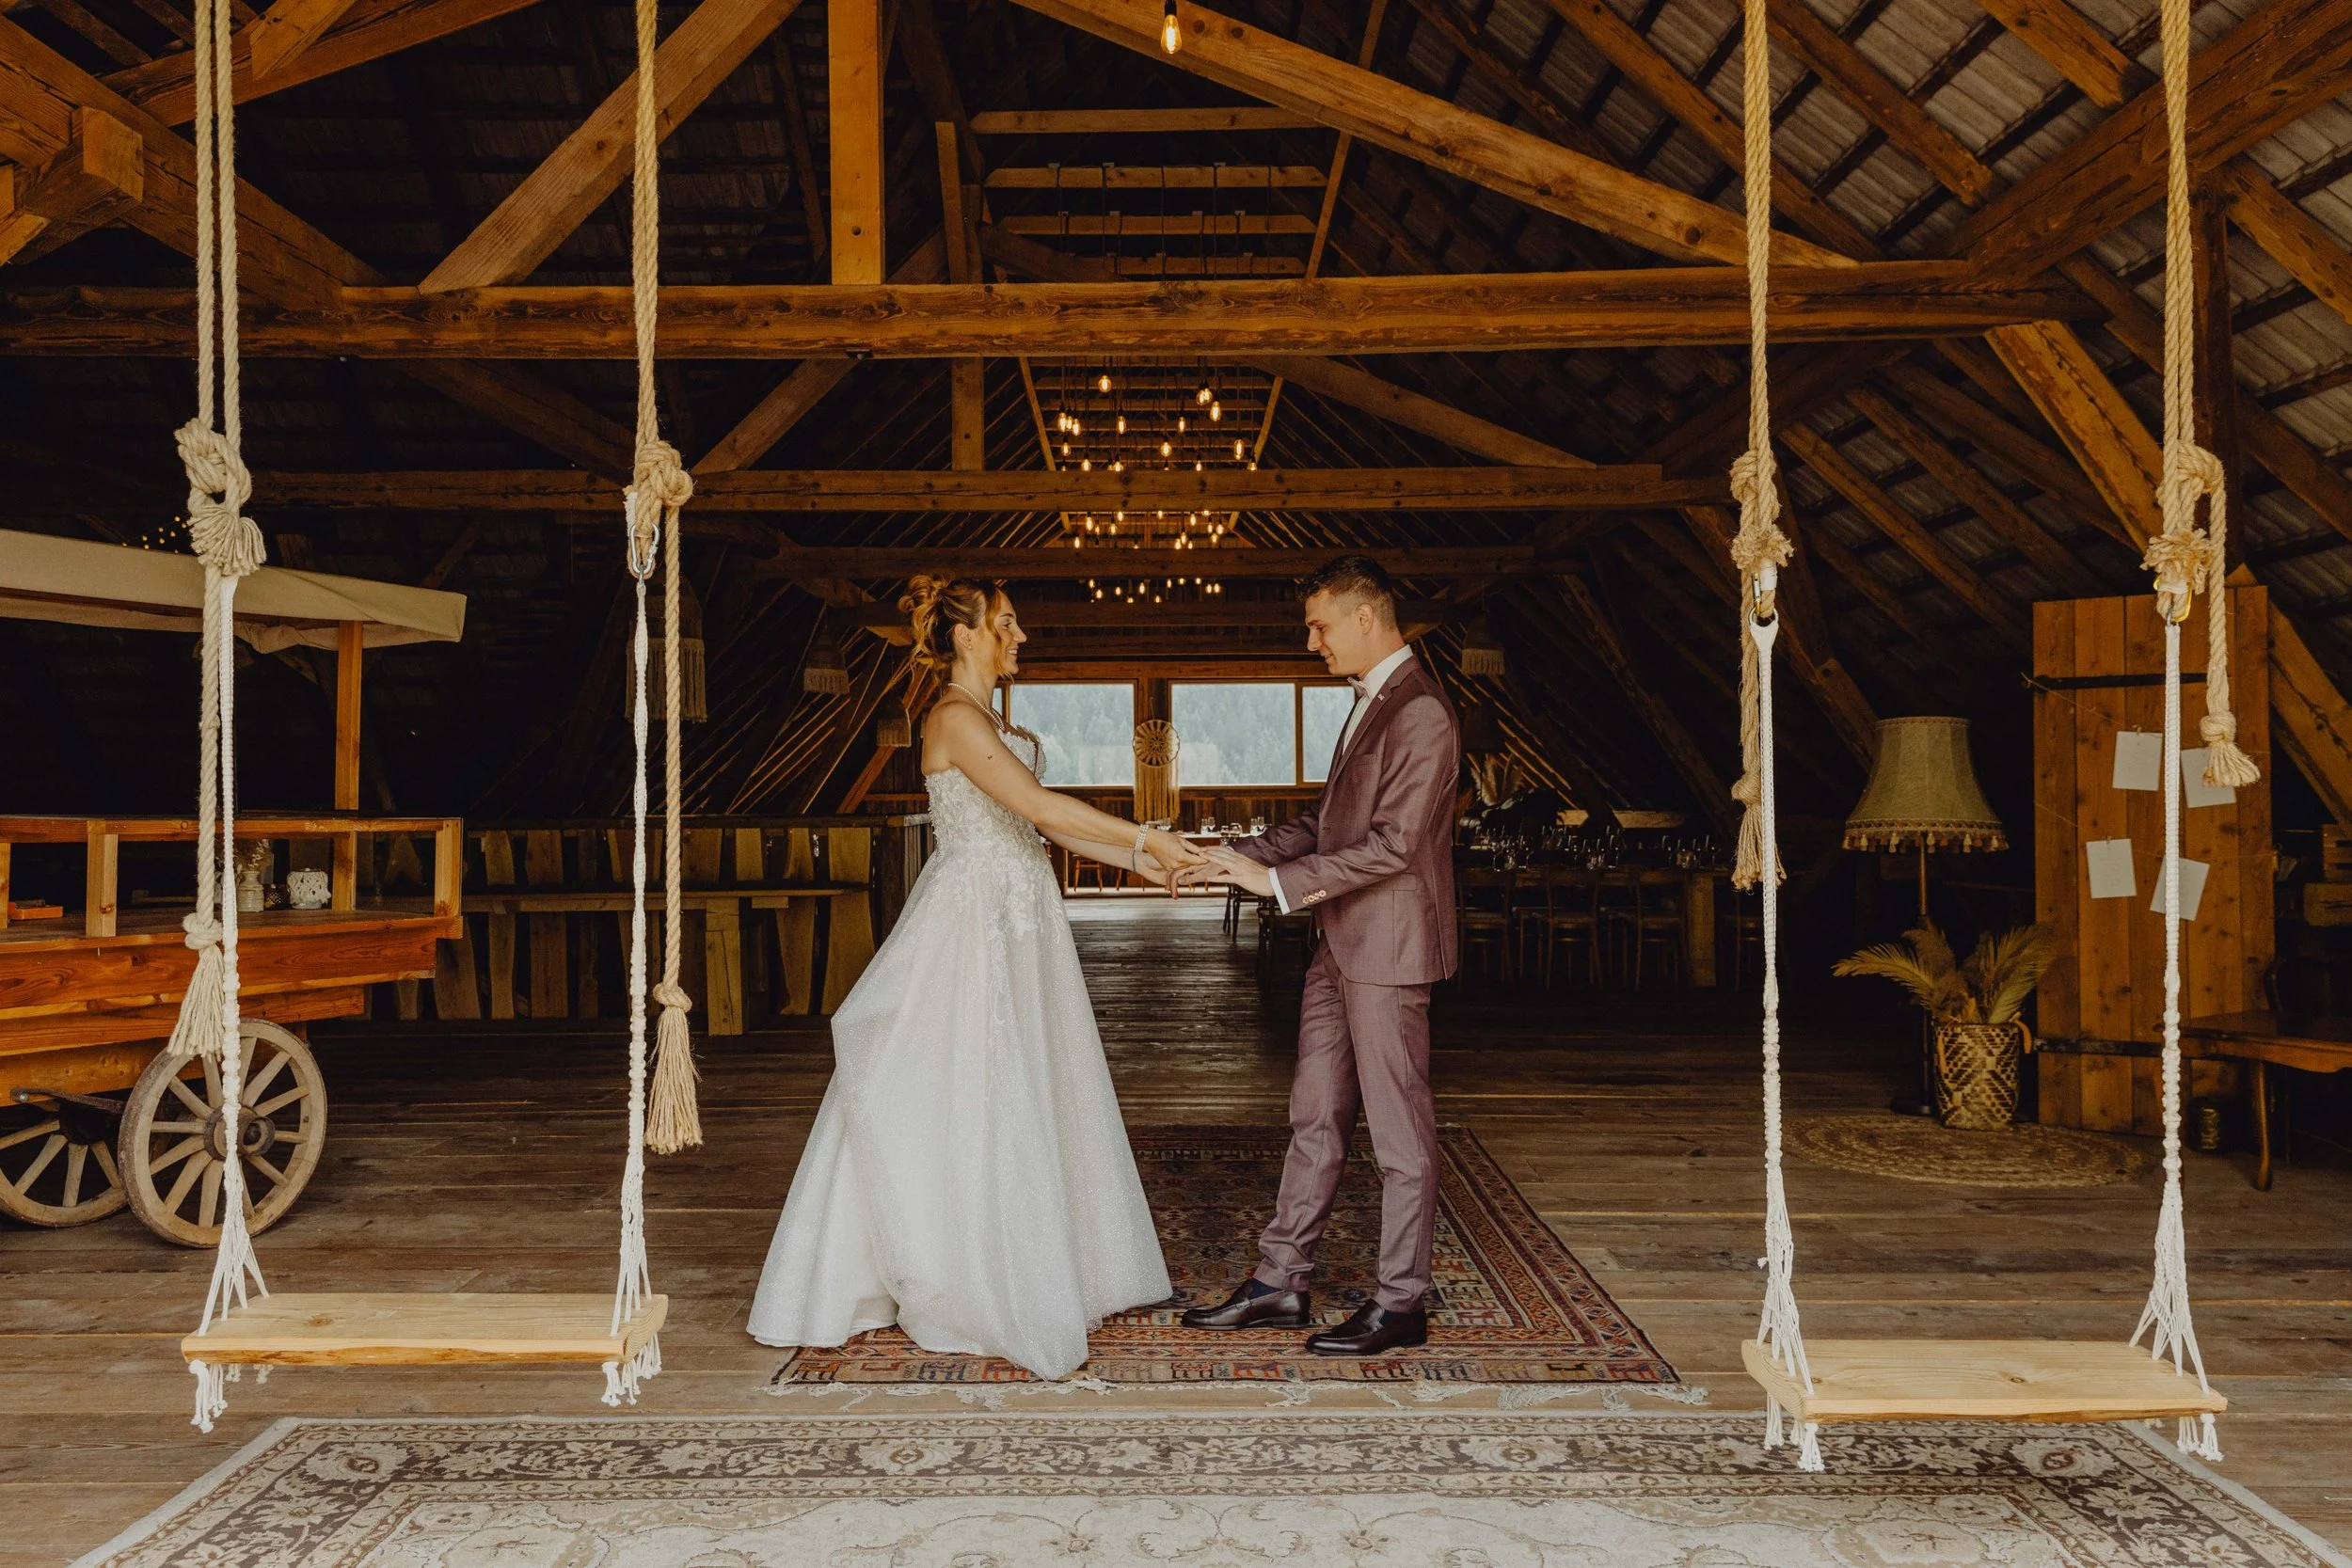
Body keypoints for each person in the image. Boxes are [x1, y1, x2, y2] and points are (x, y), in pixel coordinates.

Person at [747, 577, 1203, 1379]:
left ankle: (1047, 1254)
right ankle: (968, 1267)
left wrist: (1145, 864)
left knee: (1030, 1075)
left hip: (1019, 914)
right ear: (965, 635)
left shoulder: (996, 722)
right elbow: (1041, 806)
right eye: (1007, 623)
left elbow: (1041, 828)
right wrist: (1146, 837)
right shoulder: (952, 718)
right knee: (975, 1084)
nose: (1020, 635)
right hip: (973, 925)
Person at [1180, 556, 1461, 1356]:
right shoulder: (1372, 705)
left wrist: (1273, 881)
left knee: (1399, 1136)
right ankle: (1281, 1282)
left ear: (1366, 617)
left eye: (1320, 625)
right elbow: (1322, 825)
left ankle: (1401, 1302)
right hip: (1338, 944)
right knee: (1313, 1115)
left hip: (1389, 951)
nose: (1312, 641)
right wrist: (1227, 857)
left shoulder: (1422, 711)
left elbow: (1395, 845)